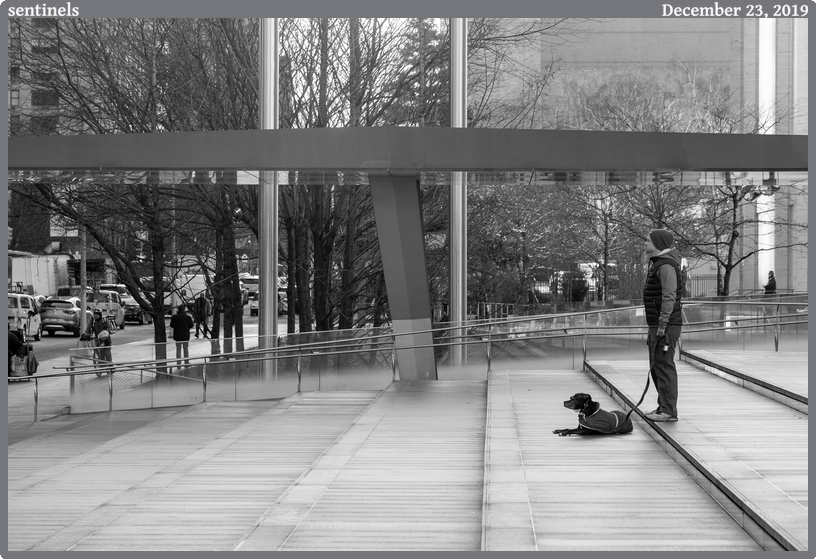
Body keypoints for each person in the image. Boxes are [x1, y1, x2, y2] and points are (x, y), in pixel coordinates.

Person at [642, 229, 683, 422]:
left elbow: (669, 296)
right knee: (657, 365)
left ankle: (668, 410)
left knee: (664, 365)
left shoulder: (666, 266)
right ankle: (663, 407)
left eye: (648, 240)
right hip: (657, 324)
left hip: (665, 326)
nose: (645, 243)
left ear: (658, 242)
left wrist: (662, 324)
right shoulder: (659, 264)